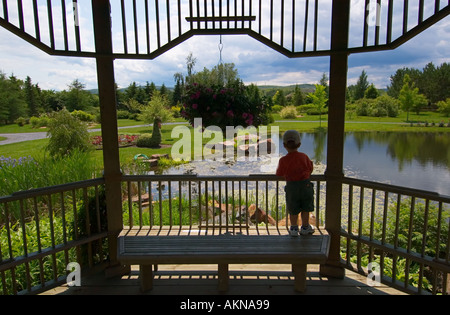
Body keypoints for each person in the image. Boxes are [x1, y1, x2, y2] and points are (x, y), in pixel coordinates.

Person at [276, 130, 315, 236]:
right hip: (305, 185)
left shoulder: (283, 160)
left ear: (284, 145)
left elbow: (279, 173)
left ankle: (293, 229)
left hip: (292, 187)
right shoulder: (304, 156)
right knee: (306, 207)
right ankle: (305, 227)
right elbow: (310, 168)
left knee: (293, 208)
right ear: (299, 144)